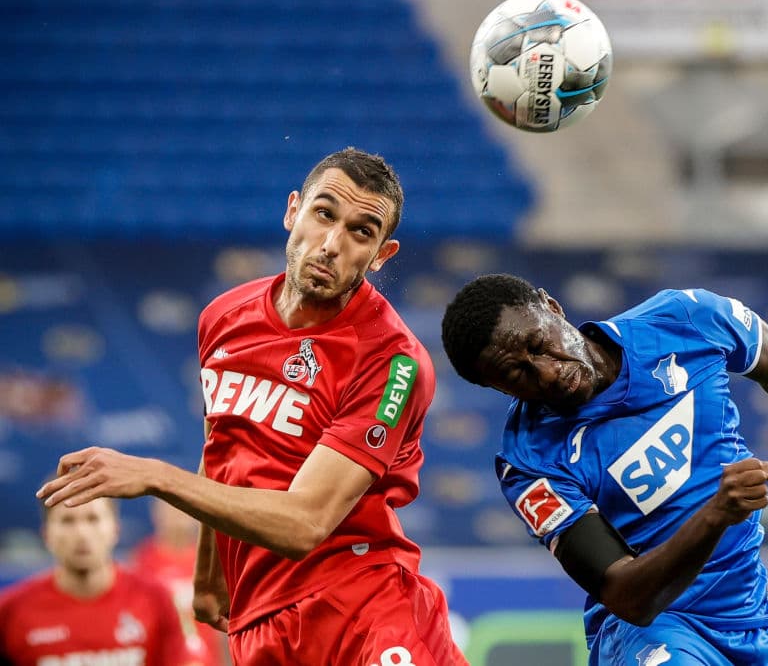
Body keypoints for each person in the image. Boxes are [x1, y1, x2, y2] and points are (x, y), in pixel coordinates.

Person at [37, 148, 469, 666]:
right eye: (324, 213)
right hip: (259, 622)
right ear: (293, 211)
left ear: (381, 254)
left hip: (363, 608)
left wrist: (156, 476)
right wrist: (209, 574)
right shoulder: (224, 316)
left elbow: (306, 524)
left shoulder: (392, 360)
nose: (332, 244)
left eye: (361, 232)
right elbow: (224, 445)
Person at [440, 273, 768, 666]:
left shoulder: (683, 319)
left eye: (538, 343)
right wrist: (716, 512)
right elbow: (626, 596)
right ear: (497, 389)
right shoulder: (528, 461)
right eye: (516, 374)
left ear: (552, 306)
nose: (546, 370)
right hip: (651, 633)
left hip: (750, 621)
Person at [0, 497, 195, 666]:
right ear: (46, 534)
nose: (82, 533)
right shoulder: (10, 611)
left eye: (93, 519)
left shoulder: (155, 599)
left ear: (115, 529)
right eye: (67, 521)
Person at [132, 498, 230, 666]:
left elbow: (227, 621)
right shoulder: (142, 561)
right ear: (156, 514)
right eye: (170, 510)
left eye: (181, 509)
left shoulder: (210, 559)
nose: (177, 516)